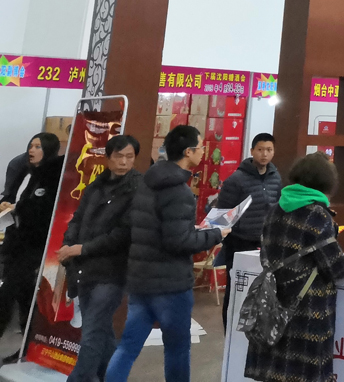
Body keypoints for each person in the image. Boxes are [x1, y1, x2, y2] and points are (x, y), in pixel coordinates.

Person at [104, 126, 229, 382]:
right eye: (200, 147)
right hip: (170, 284)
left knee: (127, 346)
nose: (203, 152)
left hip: (140, 279)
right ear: (188, 152)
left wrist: (191, 230)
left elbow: (158, 228)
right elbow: (178, 241)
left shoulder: (147, 182)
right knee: (177, 349)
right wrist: (217, 234)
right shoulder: (180, 191)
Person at [244, 152, 344, 382]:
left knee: (274, 372)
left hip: (271, 304)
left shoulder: (275, 210)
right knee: (303, 375)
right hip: (307, 310)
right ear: (326, 182)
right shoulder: (318, 215)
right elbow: (336, 267)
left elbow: (266, 254)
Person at [58, 135, 141, 382]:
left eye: (129, 157)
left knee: (92, 331)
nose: (124, 162)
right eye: (119, 156)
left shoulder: (138, 188)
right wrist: (68, 244)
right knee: (100, 330)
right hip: (84, 269)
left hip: (112, 271)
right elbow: (77, 218)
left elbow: (122, 234)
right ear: (108, 158)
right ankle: (111, 377)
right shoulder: (96, 185)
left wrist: (81, 249)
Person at [0, 132, 63, 353]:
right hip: (17, 242)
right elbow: (14, 196)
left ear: (49, 150)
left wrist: (17, 208)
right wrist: (7, 203)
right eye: (31, 145)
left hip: (36, 245)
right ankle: (29, 346)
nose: (31, 150)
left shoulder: (53, 176)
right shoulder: (25, 172)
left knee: (9, 291)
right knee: (24, 296)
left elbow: (42, 210)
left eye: (38, 146)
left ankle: (28, 345)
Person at [215, 132, 282, 330]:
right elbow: (222, 213)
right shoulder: (236, 180)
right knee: (236, 290)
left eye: (269, 150)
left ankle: (256, 331)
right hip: (239, 242)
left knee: (263, 290)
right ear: (252, 151)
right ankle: (230, 332)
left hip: (265, 243)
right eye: (260, 149)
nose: (264, 154)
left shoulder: (276, 178)